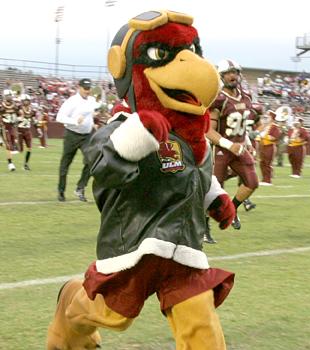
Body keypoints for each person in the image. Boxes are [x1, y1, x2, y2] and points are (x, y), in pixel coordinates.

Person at [46, 11, 236, 349]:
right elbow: (103, 163)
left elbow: (195, 173)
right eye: (161, 55)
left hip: (185, 244)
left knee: (199, 316)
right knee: (112, 314)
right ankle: (71, 299)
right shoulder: (127, 125)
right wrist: (139, 135)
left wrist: (215, 199)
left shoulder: (194, 138)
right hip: (137, 242)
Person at [205, 59, 261, 234]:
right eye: (228, 73)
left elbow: (243, 126)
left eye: (234, 72)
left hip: (239, 146)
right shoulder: (219, 98)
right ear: (221, 76)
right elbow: (208, 130)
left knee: (252, 182)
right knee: (214, 190)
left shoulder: (246, 96)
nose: (232, 76)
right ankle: (204, 227)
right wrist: (229, 145)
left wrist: (248, 142)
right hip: (221, 148)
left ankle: (233, 208)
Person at [55, 78, 97, 202]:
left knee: (91, 161)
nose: (87, 91)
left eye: (89, 89)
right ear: (79, 87)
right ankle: (61, 191)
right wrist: (74, 121)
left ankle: (80, 187)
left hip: (87, 135)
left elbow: (89, 114)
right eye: (85, 88)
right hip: (72, 135)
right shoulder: (71, 101)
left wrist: (93, 123)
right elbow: (59, 117)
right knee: (65, 164)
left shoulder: (92, 100)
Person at [258, 107, 288, 185]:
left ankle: (268, 180)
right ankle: (264, 179)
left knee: (268, 163)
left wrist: (264, 136)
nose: (266, 118)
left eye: (268, 117)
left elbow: (275, 137)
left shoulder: (274, 126)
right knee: (262, 163)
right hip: (263, 146)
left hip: (269, 146)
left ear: (272, 118)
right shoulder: (265, 126)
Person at [16, 94, 36, 170]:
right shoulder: (18, 109)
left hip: (27, 130)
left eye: (27, 100)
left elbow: (33, 120)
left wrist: (38, 128)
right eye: (25, 100)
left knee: (30, 148)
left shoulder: (31, 110)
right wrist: (19, 119)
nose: (26, 102)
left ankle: (26, 164)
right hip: (20, 130)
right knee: (20, 150)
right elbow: (14, 120)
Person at [1, 90, 18, 171]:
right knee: (8, 145)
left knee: (12, 143)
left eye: (10, 95)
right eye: (8, 95)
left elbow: (18, 113)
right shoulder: (2, 106)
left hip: (12, 127)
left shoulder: (14, 105)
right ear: (5, 96)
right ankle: (10, 163)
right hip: (4, 127)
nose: (10, 97)